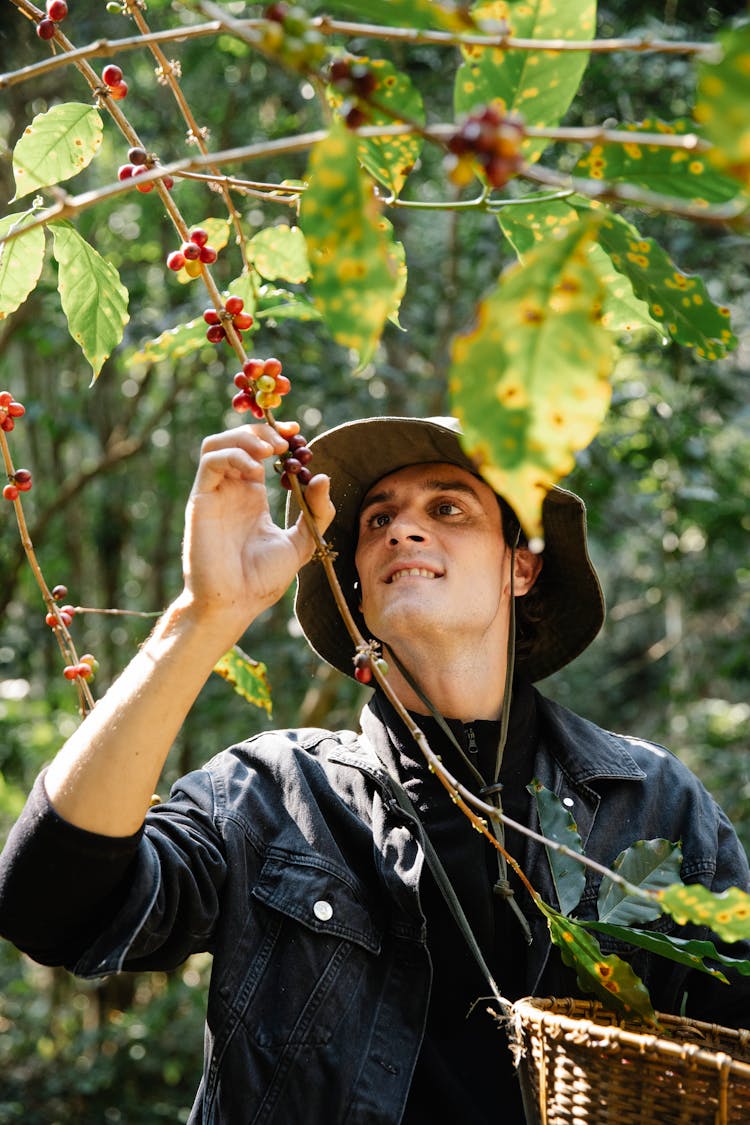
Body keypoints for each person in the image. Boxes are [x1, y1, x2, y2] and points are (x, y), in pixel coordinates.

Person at [0, 414, 748, 1125]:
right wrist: (205, 614)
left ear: (520, 566)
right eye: (377, 519)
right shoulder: (269, 794)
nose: (403, 528)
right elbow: (53, 911)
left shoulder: (652, 804)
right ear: (355, 578)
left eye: (450, 508)